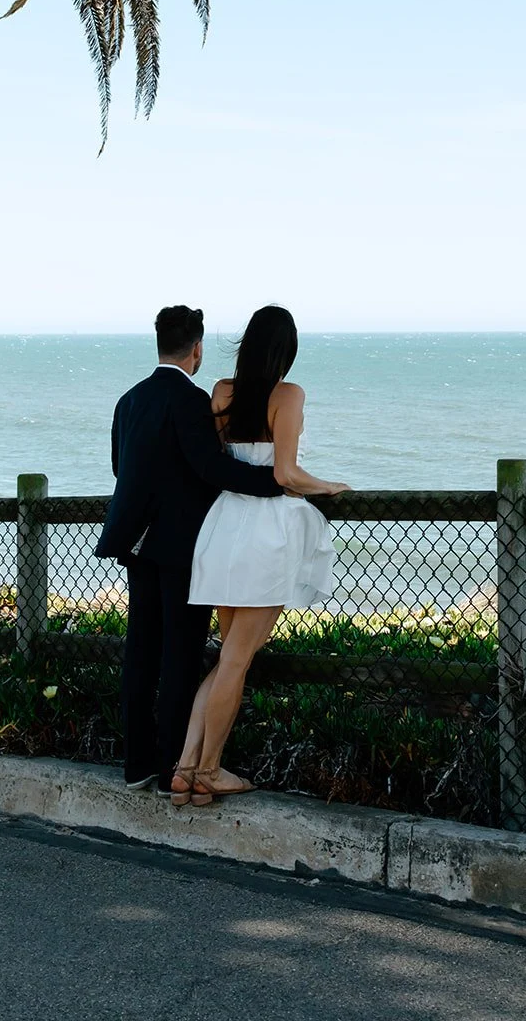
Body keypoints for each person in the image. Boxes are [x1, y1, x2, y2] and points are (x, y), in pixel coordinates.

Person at [96, 306, 283, 795]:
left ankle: (136, 765)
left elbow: (121, 467)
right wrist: (277, 482)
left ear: (159, 344)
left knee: (140, 652)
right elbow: (210, 467)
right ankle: (169, 769)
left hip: (135, 544)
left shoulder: (128, 400)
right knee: (180, 656)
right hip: (183, 549)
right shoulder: (191, 399)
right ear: (197, 349)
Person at [172, 305, 349, 806]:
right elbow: (285, 474)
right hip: (266, 533)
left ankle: (187, 769)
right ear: (286, 352)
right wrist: (328, 485)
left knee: (228, 659)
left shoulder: (222, 391)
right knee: (235, 661)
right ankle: (207, 768)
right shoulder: (288, 395)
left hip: (224, 526)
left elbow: (228, 461)